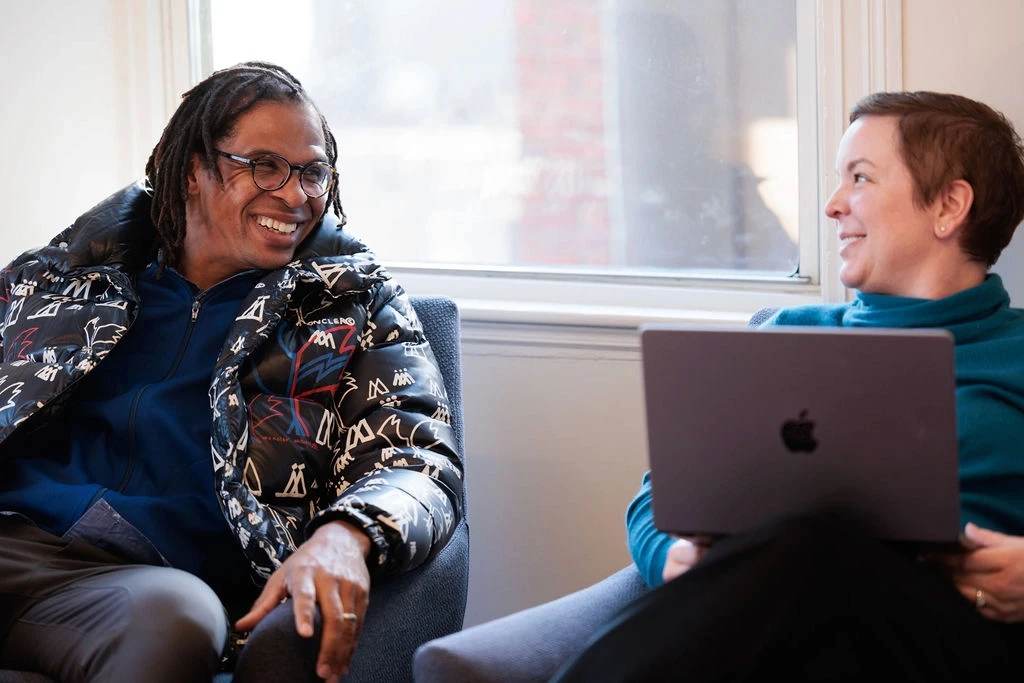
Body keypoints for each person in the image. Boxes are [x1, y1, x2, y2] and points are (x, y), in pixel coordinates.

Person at [0, 61, 463, 683]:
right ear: (194, 168)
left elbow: (418, 459)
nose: (297, 195)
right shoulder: (69, 277)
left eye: (313, 172)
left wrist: (348, 534)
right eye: (265, 166)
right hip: (14, 537)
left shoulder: (352, 306)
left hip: (144, 584)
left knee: (177, 623)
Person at [552, 91, 1024, 681]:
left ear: (948, 205)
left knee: (818, 540)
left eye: (860, 178)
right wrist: (675, 557)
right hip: (784, 631)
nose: (832, 205)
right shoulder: (788, 338)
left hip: (950, 639)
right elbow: (661, 496)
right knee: (805, 551)